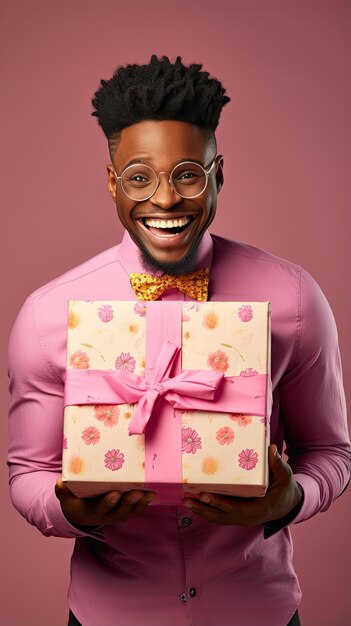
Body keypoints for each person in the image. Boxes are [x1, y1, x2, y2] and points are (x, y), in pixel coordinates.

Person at [8, 55, 350, 626]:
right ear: (112, 181)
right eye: (140, 177)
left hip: (257, 611)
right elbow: (28, 474)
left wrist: (290, 501)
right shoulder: (48, 316)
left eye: (188, 173)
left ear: (219, 173)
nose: (165, 200)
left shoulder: (292, 298)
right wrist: (69, 509)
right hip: (109, 614)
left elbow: (332, 454)